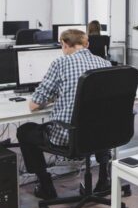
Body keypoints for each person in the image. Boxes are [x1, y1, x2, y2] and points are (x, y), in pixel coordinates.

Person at [16, 30, 112, 199]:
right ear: (87, 44)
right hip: (100, 136)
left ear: (64, 45)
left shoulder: (60, 63)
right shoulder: (105, 63)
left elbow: (34, 104)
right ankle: (104, 178)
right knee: (99, 119)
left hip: (70, 137)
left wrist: (51, 99)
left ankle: (46, 185)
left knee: (25, 131)